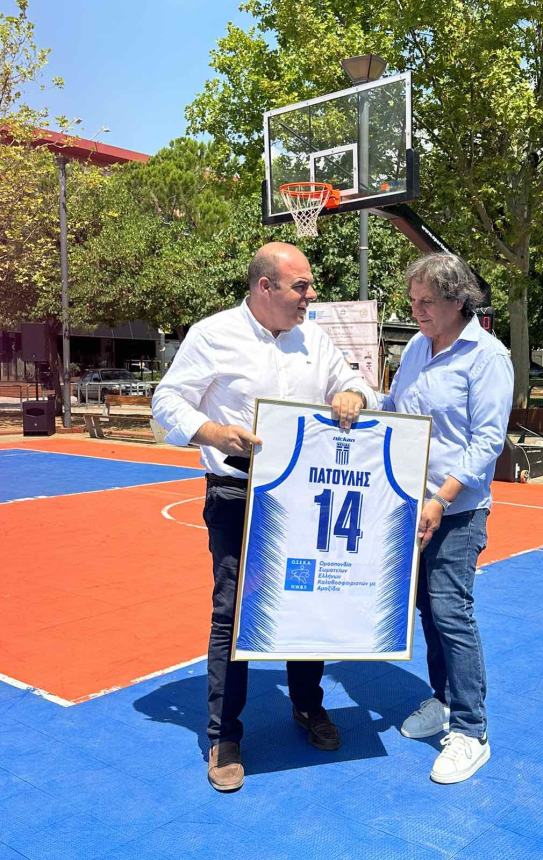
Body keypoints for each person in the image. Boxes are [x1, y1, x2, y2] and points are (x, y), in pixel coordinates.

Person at [152, 242, 376, 792]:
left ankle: (307, 706)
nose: (310, 294)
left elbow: (356, 384)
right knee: (233, 613)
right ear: (265, 287)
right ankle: (223, 735)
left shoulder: (314, 338)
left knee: (307, 599)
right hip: (237, 494)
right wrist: (213, 432)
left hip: (303, 498)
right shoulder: (213, 334)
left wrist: (352, 395)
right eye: (301, 286)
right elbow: (166, 402)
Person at [380, 253, 513, 784]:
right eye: (413, 301)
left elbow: (487, 442)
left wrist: (442, 497)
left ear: (458, 300)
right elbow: (395, 407)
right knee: (427, 611)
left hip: (457, 510)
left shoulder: (487, 357)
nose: (416, 311)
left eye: (427, 302)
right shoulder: (417, 347)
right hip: (413, 506)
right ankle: (442, 698)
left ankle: (471, 730)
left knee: (451, 611)